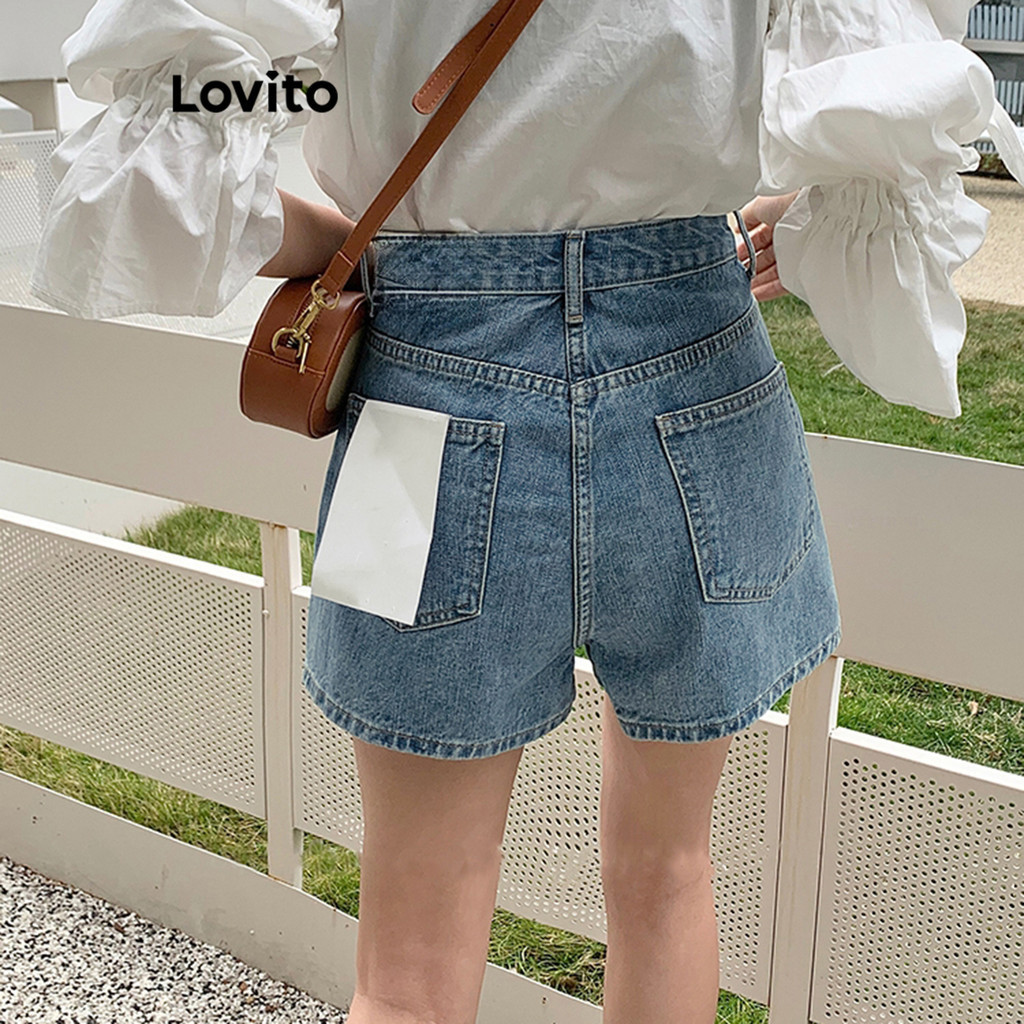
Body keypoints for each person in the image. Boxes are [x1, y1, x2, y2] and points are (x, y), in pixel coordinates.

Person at [30, 2, 1024, 1023]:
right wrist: (757, 210)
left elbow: (186, 150)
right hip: (700, 379)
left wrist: (357, 247)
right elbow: (881, 112)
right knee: (670, 873)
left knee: (408, 962)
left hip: (427, 394)